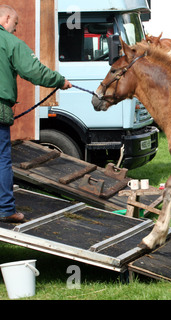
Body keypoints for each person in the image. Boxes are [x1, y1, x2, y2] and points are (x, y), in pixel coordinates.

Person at [0, 5, 72, 223]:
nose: (15, 29)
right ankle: (5, 209)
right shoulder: (9, 42)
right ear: (7, 17)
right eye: (16, 24)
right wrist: (60, 81)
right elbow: (33, 71)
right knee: (2, 159)